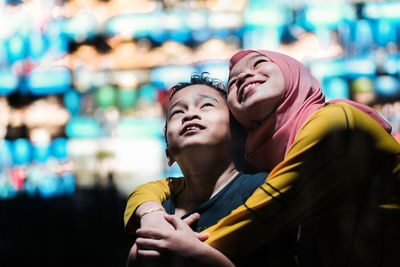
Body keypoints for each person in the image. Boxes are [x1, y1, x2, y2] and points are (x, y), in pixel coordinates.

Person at [125, 50, 400, 266]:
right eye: (233, 81)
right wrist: (149, 213)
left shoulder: (335, 124)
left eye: (259, 63)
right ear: (168, 151)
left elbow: (262, 217)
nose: (244, 76)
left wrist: (161, 245)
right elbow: (157, 187)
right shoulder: (276, 158)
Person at [127, 73, 298, 267]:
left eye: (206, 105)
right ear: (169, 153)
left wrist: (195, 254)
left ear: (239, 136)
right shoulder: (160, 211)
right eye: (177, 113)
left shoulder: (262, 190)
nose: (190, 114)